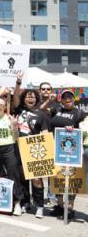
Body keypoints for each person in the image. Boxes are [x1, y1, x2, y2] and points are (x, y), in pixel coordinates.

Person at [13, 79, 49, 218]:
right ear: (24, 99)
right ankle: (24, 203)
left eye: (32, 96)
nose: (30, 98)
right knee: (21, 177)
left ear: (36, 99)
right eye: (27, 96)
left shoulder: (42, 114)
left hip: (34, 149)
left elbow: (45, 133)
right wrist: (18, 83)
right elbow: (15, 96)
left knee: (36, 179)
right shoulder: (19, 110)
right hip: (18, 148)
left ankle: (39, 206)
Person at [48, 89, 85, 219]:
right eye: (65, 97)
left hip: (71, 150)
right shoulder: (56, 110)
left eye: (70, 97)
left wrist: (74, 129)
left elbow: (85, 130)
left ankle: (69, 207)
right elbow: (44, 113)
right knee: (57, 176)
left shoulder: (80, 113)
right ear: (61, 100)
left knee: (71, 178)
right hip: (55, 147)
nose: (67, 99)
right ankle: (59, 205)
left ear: (74, 99)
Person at [0, 97, 24, 216]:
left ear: (5, 106)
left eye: (1, 104)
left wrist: (14, 126)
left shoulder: (10, 118)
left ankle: (17, 203)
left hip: (9, 148)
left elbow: (16, 137)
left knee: (14, 175)